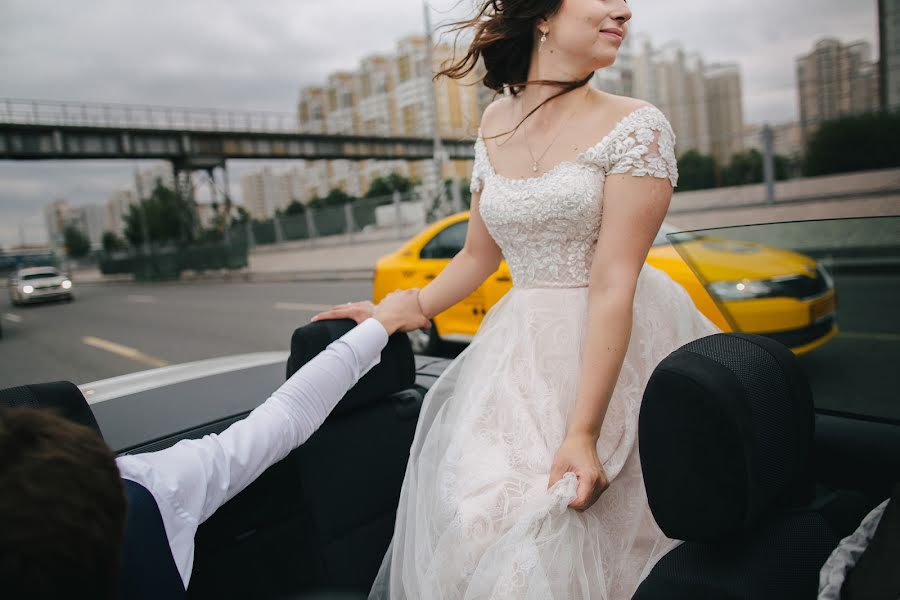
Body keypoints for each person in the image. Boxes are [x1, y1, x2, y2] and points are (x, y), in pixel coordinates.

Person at [308, 1, 725, 598]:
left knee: (586, 530)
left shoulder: (638, 124)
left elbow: (613, 282)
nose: (624, 10)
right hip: (518, 356)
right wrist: (408, 307)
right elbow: (479, 255)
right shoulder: (493, 121)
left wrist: (582, 431)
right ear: (544, 16)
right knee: (483, 523)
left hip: (609, 349)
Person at [0, 289, 428, 599]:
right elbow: (284, 417)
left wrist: (379, 324)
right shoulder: (142, 490)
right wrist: (380, 324)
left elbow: (285, 419)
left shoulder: (136, 490)